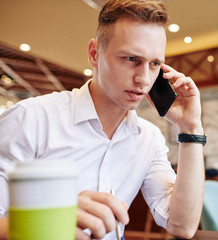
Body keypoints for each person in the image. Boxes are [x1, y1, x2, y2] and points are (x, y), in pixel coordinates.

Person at [0, 0, 205, 239]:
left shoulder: (149, 139)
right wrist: (47, 222)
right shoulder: (31, 119)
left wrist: (190, 127)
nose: (144, 79)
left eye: (154, 64)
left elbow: (182, 225)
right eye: (131, 59)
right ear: (94, 54)